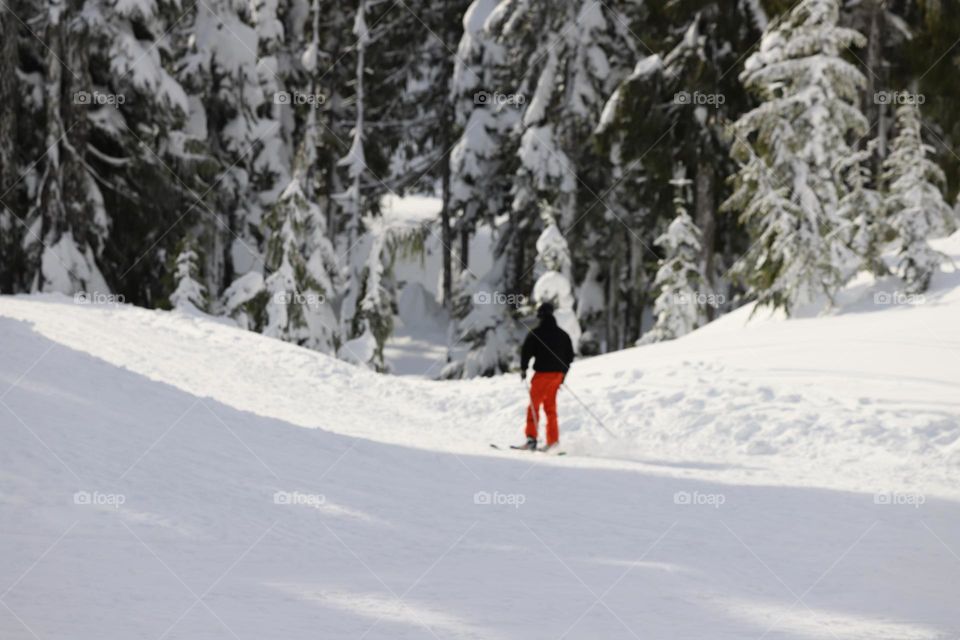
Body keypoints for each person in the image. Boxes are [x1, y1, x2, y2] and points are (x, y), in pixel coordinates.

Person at [519, 302, 575, 451]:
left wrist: (524, 369)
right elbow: (569, 356)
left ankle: (531, 439)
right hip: (557, 375)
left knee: (534, 406)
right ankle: (553, 441)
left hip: (542, 375)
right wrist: (563, 374)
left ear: (540, 316)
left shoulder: (536, 333)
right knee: (550, 408)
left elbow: (526, 351)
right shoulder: (563, 335)